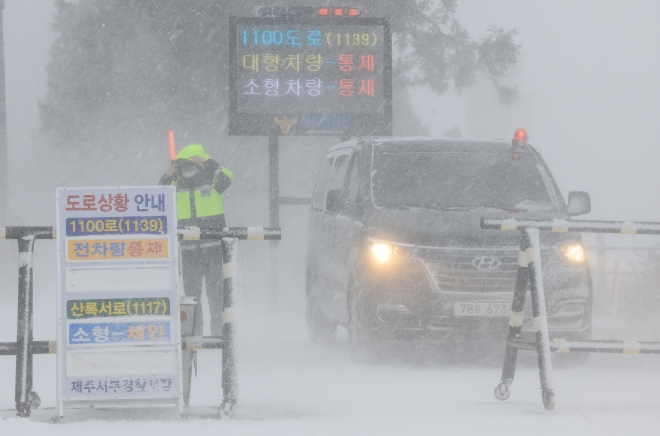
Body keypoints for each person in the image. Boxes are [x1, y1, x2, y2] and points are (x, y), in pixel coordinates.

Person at [159, 144, 233, 336]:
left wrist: (209, 162)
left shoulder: (212, 179)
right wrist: (168, 176)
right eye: (183, 166)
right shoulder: (175, 183)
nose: (187, 170)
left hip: (213, 245)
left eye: (191, 165)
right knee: (191, 294)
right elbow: (160, 197)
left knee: (216, 293)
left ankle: (218, 333)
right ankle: (194, 334)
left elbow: (227, 178)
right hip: (188, 248)